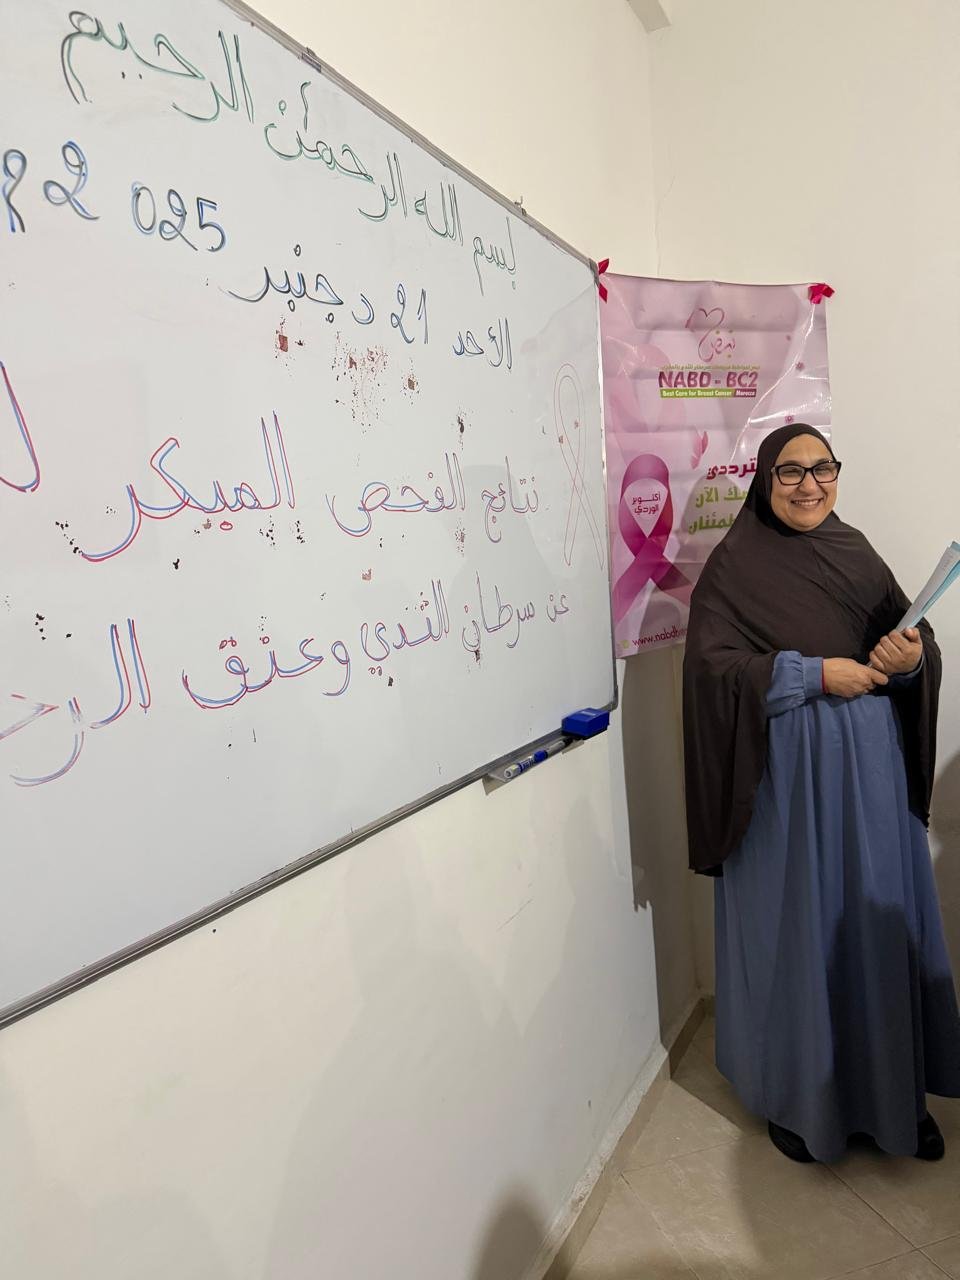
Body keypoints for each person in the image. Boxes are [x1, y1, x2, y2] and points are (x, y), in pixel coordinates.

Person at [682, 422, 960, 1163]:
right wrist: (811, 674)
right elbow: (711, 673)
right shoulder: (734, 565)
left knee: (876, 929)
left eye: (823, 469)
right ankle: (799, 1102)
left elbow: (914, 642)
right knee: (801, 936)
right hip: (785, 789)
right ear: (764, 480)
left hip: (872, 779)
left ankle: (897, 1098)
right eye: (791, 471)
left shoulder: (854, 550)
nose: (810, 485)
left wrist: (909, 657)